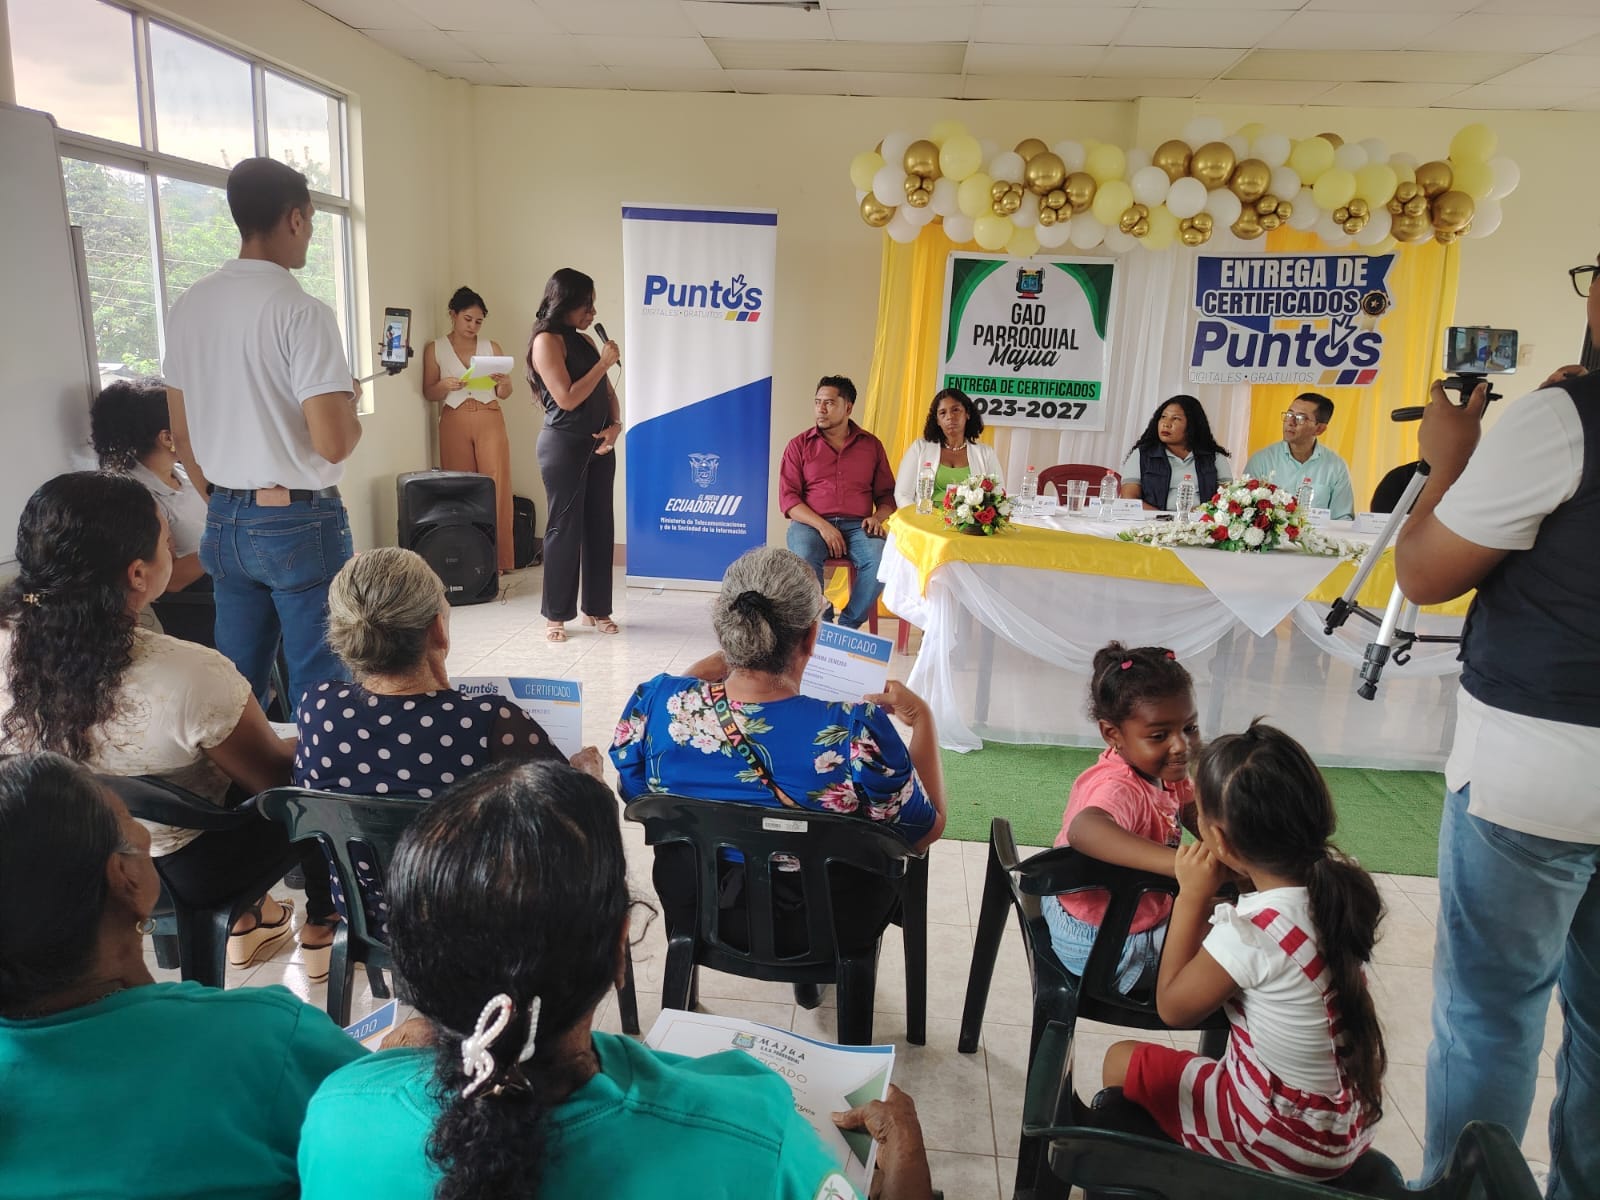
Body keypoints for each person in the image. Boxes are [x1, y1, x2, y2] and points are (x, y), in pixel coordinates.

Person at [296, 760, 936, 1200]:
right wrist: (907, 1165)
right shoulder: (754, 1132)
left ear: (412, 966)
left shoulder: (336, 1111)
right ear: (618, 949)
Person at [1394, 256, 1600, 1200]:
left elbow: (1425, 572)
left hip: (1537, 768)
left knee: (1490, 1016)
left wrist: (1451, 459)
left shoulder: (1564, 420)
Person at [0, 472, 336, 972]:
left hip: (56, 862)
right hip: (181, 870)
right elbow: (273, 780)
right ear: (138, 574)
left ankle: (249, 923)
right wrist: (319, 741)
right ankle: (325, 927)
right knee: (320, 777)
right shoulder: (189, 672)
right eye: (166, 539)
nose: (174, 548)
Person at [0, 752, 366, 1200]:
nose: (142, 832)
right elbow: (392, 1131)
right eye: (129, 818)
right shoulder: (264, 1039)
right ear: (125, 877)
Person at [612, 546, 945, 959]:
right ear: (811, 636)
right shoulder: (857, 731)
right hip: (827, 927)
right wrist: (924, 720)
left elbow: (640, 796)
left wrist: (693, 681)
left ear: (727, 629)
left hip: (697, 910)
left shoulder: (654, 704)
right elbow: (923, 833)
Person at [1102, 722, 1385, 1181]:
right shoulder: (1334, 894)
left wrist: (1192, 896)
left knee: (1121, 1059)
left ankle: (1165, 1180)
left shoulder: (1252, 931)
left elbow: (1174, 1007)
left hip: (1284, 1138)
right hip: (1343, 1125)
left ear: (1221, 841)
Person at [161, 156, 362, 712]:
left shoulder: (188, 306)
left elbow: (181, 433)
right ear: (295, 218)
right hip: (298, 520)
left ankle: (242, 771)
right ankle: (314, 770)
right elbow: (335, 442)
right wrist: (345, 401)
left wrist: (225, 501)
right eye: (311, 221)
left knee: (236, 686)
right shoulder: (302, 311)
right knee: (321, 683)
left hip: (224, 518)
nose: (310, 234)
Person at [297, 547, 600, 799]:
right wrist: (590, 778)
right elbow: (580, 825)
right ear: (437, 630)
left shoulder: (318, 707)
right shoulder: (491, 722)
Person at [1044, 643, 1199, 993]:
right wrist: (1180, 865)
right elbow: (1085, 830)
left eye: (1189, 728)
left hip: (1111, 916)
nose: (1181, 745)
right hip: (1102, 943)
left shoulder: (1164, 771)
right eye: (1159, 735)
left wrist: (1239, 851)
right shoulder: (1119, 786)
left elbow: (1196, 813)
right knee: (1238, 950)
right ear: (1112, 734)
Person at [527, 268, 622, 643]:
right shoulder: (546, 341)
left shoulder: (583, 340)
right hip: (564, 446)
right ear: (564, 303)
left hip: (600, 444)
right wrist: (603, 363)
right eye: (586, 305)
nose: (592, 313)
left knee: (600, 526)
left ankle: (597, 609)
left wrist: (615, 425)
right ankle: (556, 615)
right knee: (564, 529)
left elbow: (605, 391)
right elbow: (566, 398)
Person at [780, 376, 896, 629]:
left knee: (882, 559)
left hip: (859, 526)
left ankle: (846, 627)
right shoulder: (799, 445)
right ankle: (821, 623)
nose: (821, 409)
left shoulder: (871, 446)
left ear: (848, 407)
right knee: (804, 555)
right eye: (817, 402)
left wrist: (877, 518)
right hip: (811, 525)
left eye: (829, 403)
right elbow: (789, 500)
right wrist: (823, 527)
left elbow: (887, 495)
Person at [422, 286, 517, 574]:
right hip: (454, 418)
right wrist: (444, 385)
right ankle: (466, 559)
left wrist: (504, 383)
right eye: (467, 319)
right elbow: (429, 392)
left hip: (489, 416)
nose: (473, 326)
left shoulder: (492, 347)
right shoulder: (435, 348)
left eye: (478, 321)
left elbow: (505, 393)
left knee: (497, 486)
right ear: (453, 314)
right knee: (459, 488)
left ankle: (499, 560)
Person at [1241, 392, 1354, 520]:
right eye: (1289, 415)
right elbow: (1245, 511)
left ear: (1319, 429)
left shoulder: (1336, 466)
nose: (1290, 422)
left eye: (1300, 418)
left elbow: (1342, 519)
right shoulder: (1261, 460)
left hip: (1318, 533)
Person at [892, 387, 1005, 508]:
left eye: (955, 410)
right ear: (937, 420)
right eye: (942, 413)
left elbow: (998, 496)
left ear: (967, 414)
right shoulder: (919, 448)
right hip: (924, 517)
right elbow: (902, 495)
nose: (950, 416)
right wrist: (919, 517)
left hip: (968, 520)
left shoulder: (986, 453)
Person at [1118, 395, 1234, 511]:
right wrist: (1165, 518)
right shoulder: (1141, 455)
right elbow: (1129, 499)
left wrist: (1199, 514)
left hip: (1201, 519)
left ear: (1193, 424)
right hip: (1153, 520)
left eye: (1176, 419)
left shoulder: (1214, 457)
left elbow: (1226, 498)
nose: (1166, 424)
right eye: (1163, 417)